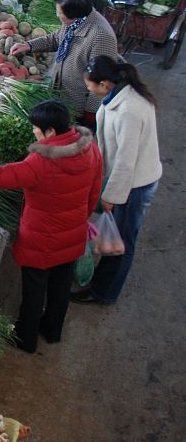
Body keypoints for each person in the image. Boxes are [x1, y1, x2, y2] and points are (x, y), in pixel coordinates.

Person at [0, 100, 102, 353]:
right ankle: (52, 332)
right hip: (73, 234)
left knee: (33, 291)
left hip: (41, 240)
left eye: (36, 129)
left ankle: (26, 339)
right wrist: (81, 219)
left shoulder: (40, 162)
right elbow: (95, 188)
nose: (33, 132)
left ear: (50, 131)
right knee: (61, 287)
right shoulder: (90, 148)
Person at [72, 56, 162, 306]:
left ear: (104, 84)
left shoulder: (129, 111)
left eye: (90, 85)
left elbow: (125, 161)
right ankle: (102, 282)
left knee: (122, 243)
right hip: (127, 178)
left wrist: (111, 196)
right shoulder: (118, 94)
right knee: (116, 237)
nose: (88, 89)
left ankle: (104, 293)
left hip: (136, 184)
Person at [10, 0, 119, 125]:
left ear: (73, 15)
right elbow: (56, 38)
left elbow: (102, 79)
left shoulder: (101, 36)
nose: (57, 15)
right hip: (62, 95)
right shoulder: (76, 21)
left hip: (78, 104)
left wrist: (91, 114)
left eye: (59, 13)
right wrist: (29, 46)